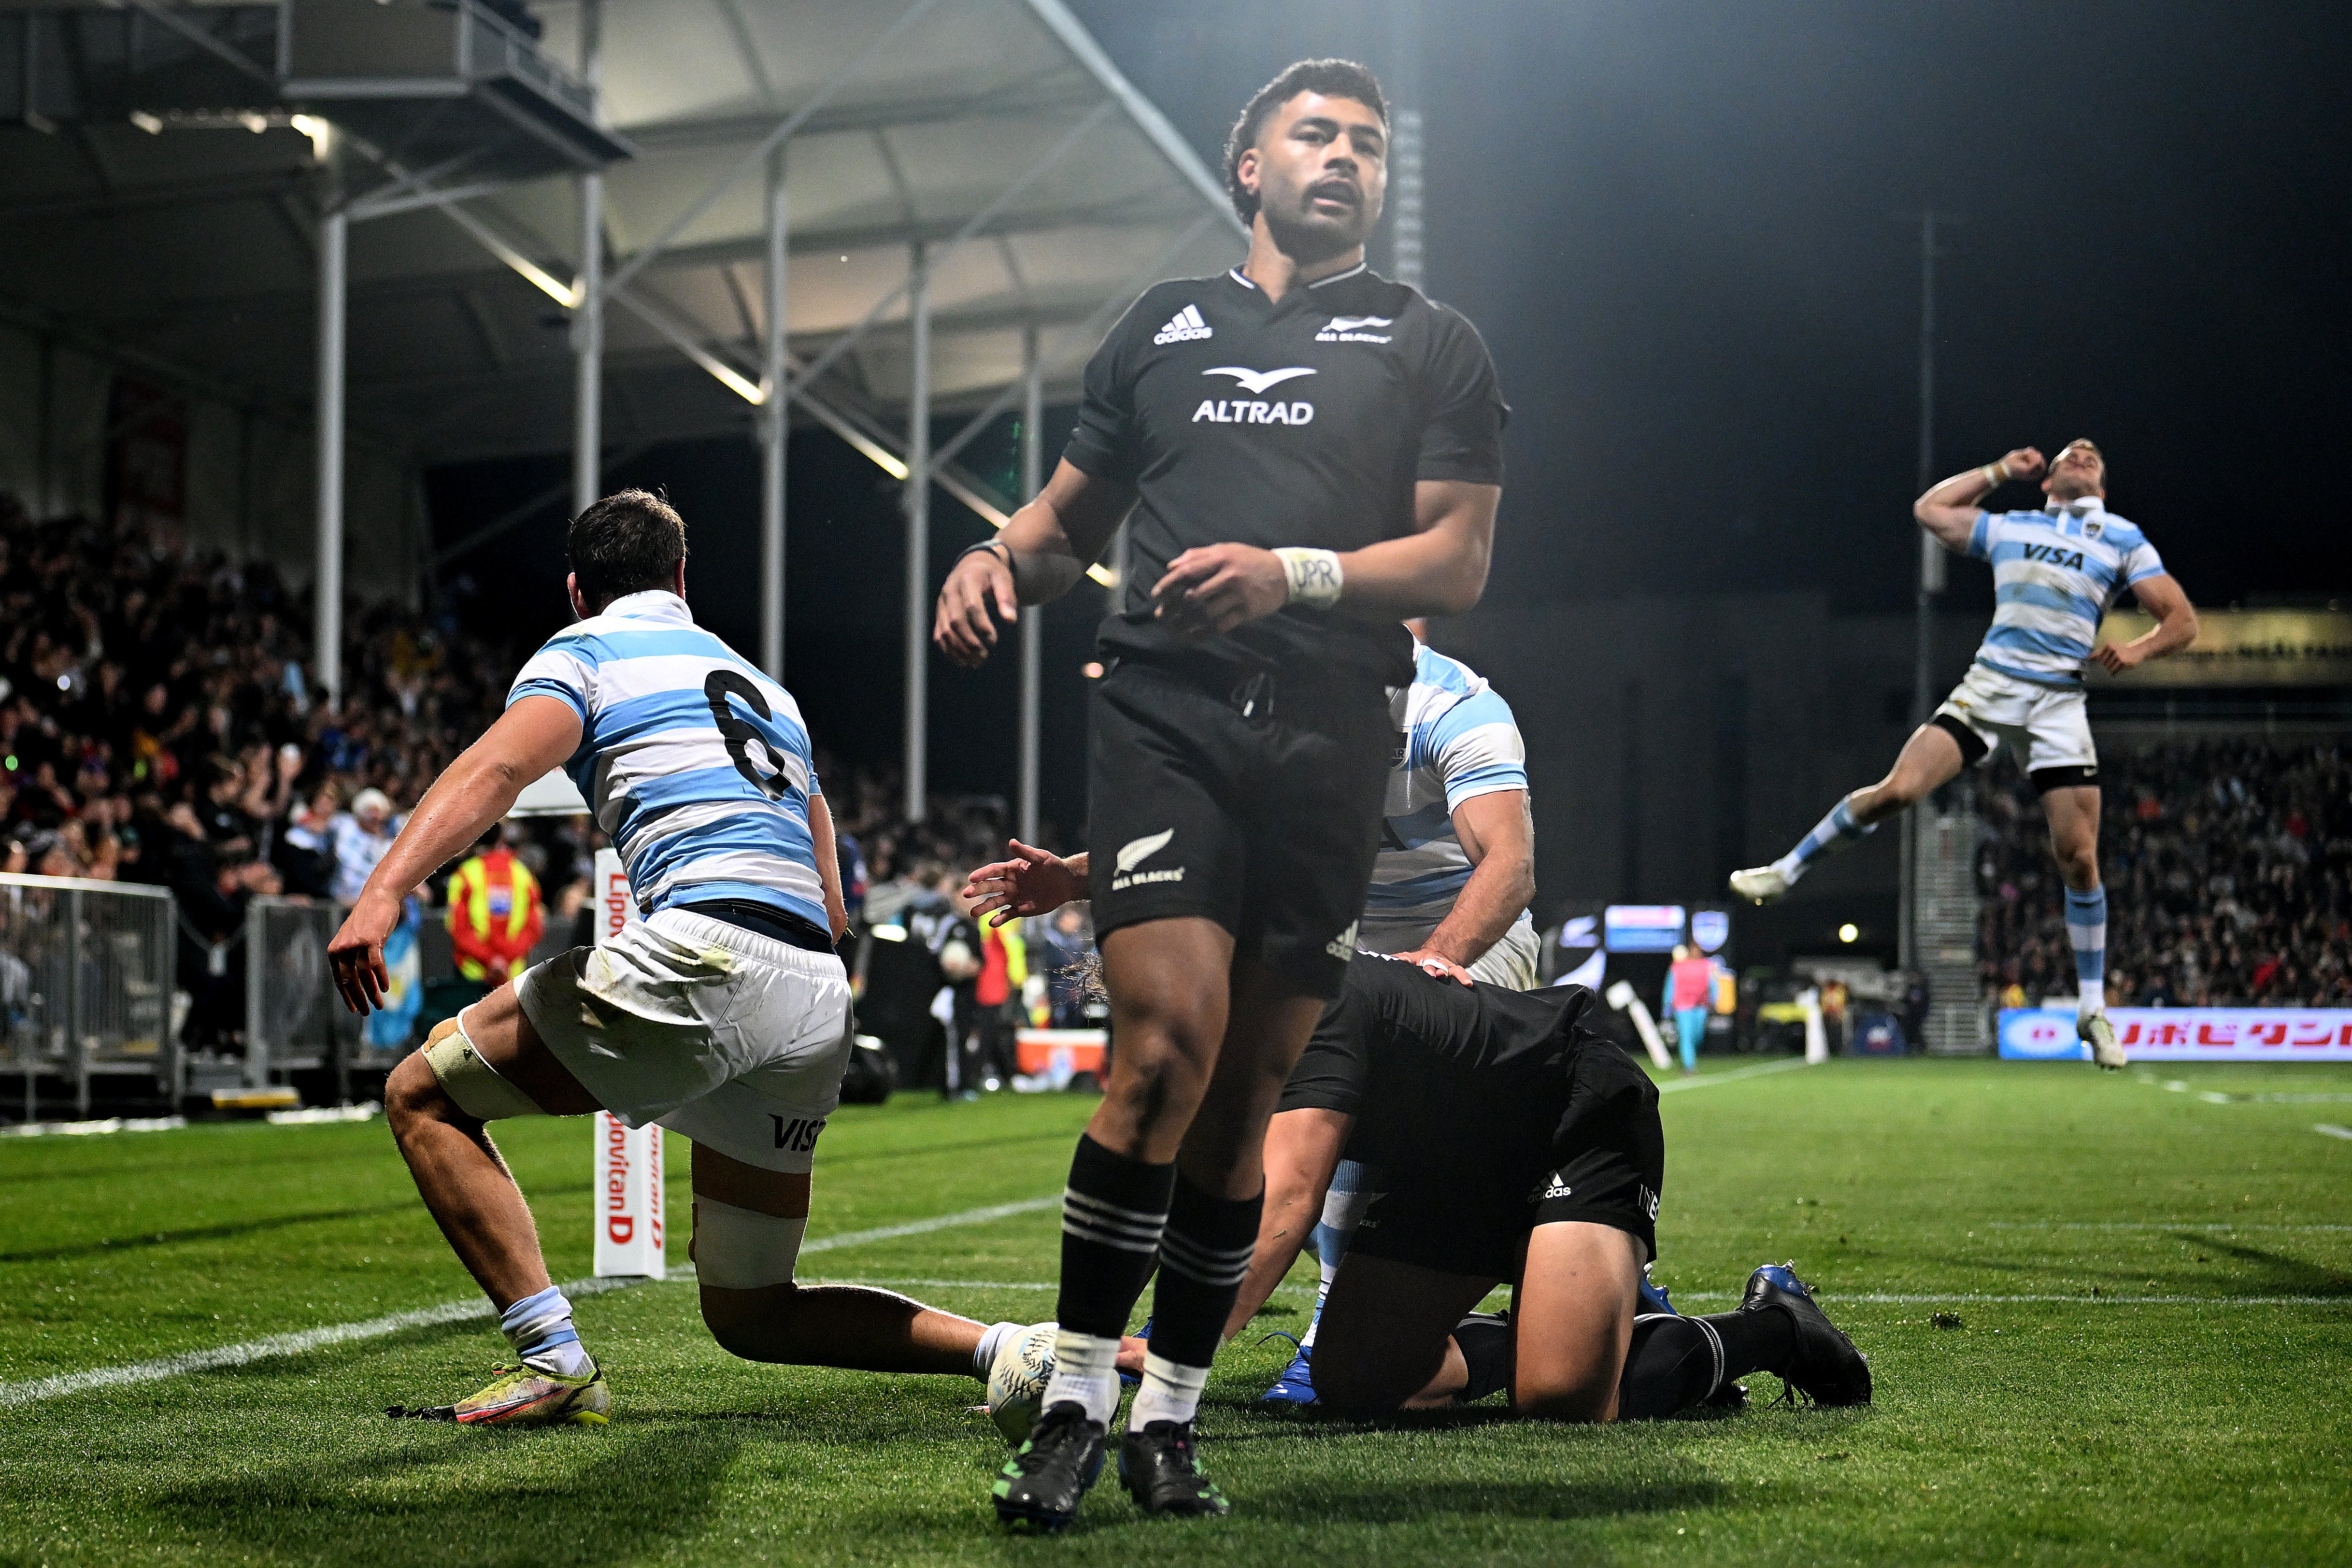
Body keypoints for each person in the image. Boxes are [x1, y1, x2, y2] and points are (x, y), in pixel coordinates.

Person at [934, 57, 1505, 1528]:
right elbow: (1068, 522)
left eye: (1368, 145)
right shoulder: (1160, 327)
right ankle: (1072, 1398)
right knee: (1164, 1047)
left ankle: (1170, 1417)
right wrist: (999, 557)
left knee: (1245, 1102)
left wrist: (1294, 574)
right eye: (1315, 135)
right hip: (1167, 715)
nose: (1345, 160)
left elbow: (1457, 561)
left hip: (1334, 733)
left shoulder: (1432, 342)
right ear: (1248, 166)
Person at [326, 490, 1098, 1428]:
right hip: (811, 986)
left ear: (578, 590)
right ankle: (1010, 1352)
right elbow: (829, 878)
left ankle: (553, 1358)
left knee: (422, 1093)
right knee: (752, 1311)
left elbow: (496, 769)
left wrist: (381, 891)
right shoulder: (762, 688)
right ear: (682, 579)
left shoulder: (584, 653)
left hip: (710, 949)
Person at [1225, 953, 1870, 1422]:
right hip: (1453, 1158)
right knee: (1355, 1380)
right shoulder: (1220, 1032)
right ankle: (1572, 1319)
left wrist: (1180, 1350)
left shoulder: (1308, 998)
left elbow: (1287, 1201)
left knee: (1562, 1398)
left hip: (1571, 1114)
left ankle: (1777, 1326)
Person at [1728, 441, 2197, 1069]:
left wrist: (2135, 651)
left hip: (2058, 701)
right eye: (2071, 453)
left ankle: (2092, 1008)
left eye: (2092, 455)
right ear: (2048, 478)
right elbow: (1930, 510)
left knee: (2078, 856)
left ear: (2103, 486)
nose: (2083, 452)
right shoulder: (2012, 526)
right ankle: (1787, 870)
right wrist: (1999, 470)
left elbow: (2181, 619)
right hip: (1993, 687)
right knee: (1898, 790)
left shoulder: (2120, 536)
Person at [445, 825, 545, 993]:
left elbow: (458, 927)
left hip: (473, 974)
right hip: (512, 975)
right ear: (501, 839)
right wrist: (504, 960)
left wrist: (490, 960)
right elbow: (534, 928)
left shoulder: (465, 874)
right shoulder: (523, 875)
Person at [1662, 944, 1712, 1074]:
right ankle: (1689, 1066)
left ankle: (1689, 1057)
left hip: (1701, 1006)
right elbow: (1670, 986)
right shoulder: (1677, 967)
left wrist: (1714, 1000)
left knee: (1697, 1036)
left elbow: (1713, 984)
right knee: (1686, 1036)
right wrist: (1667, 1006)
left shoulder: (1707, 966)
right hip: (1682, 1006)